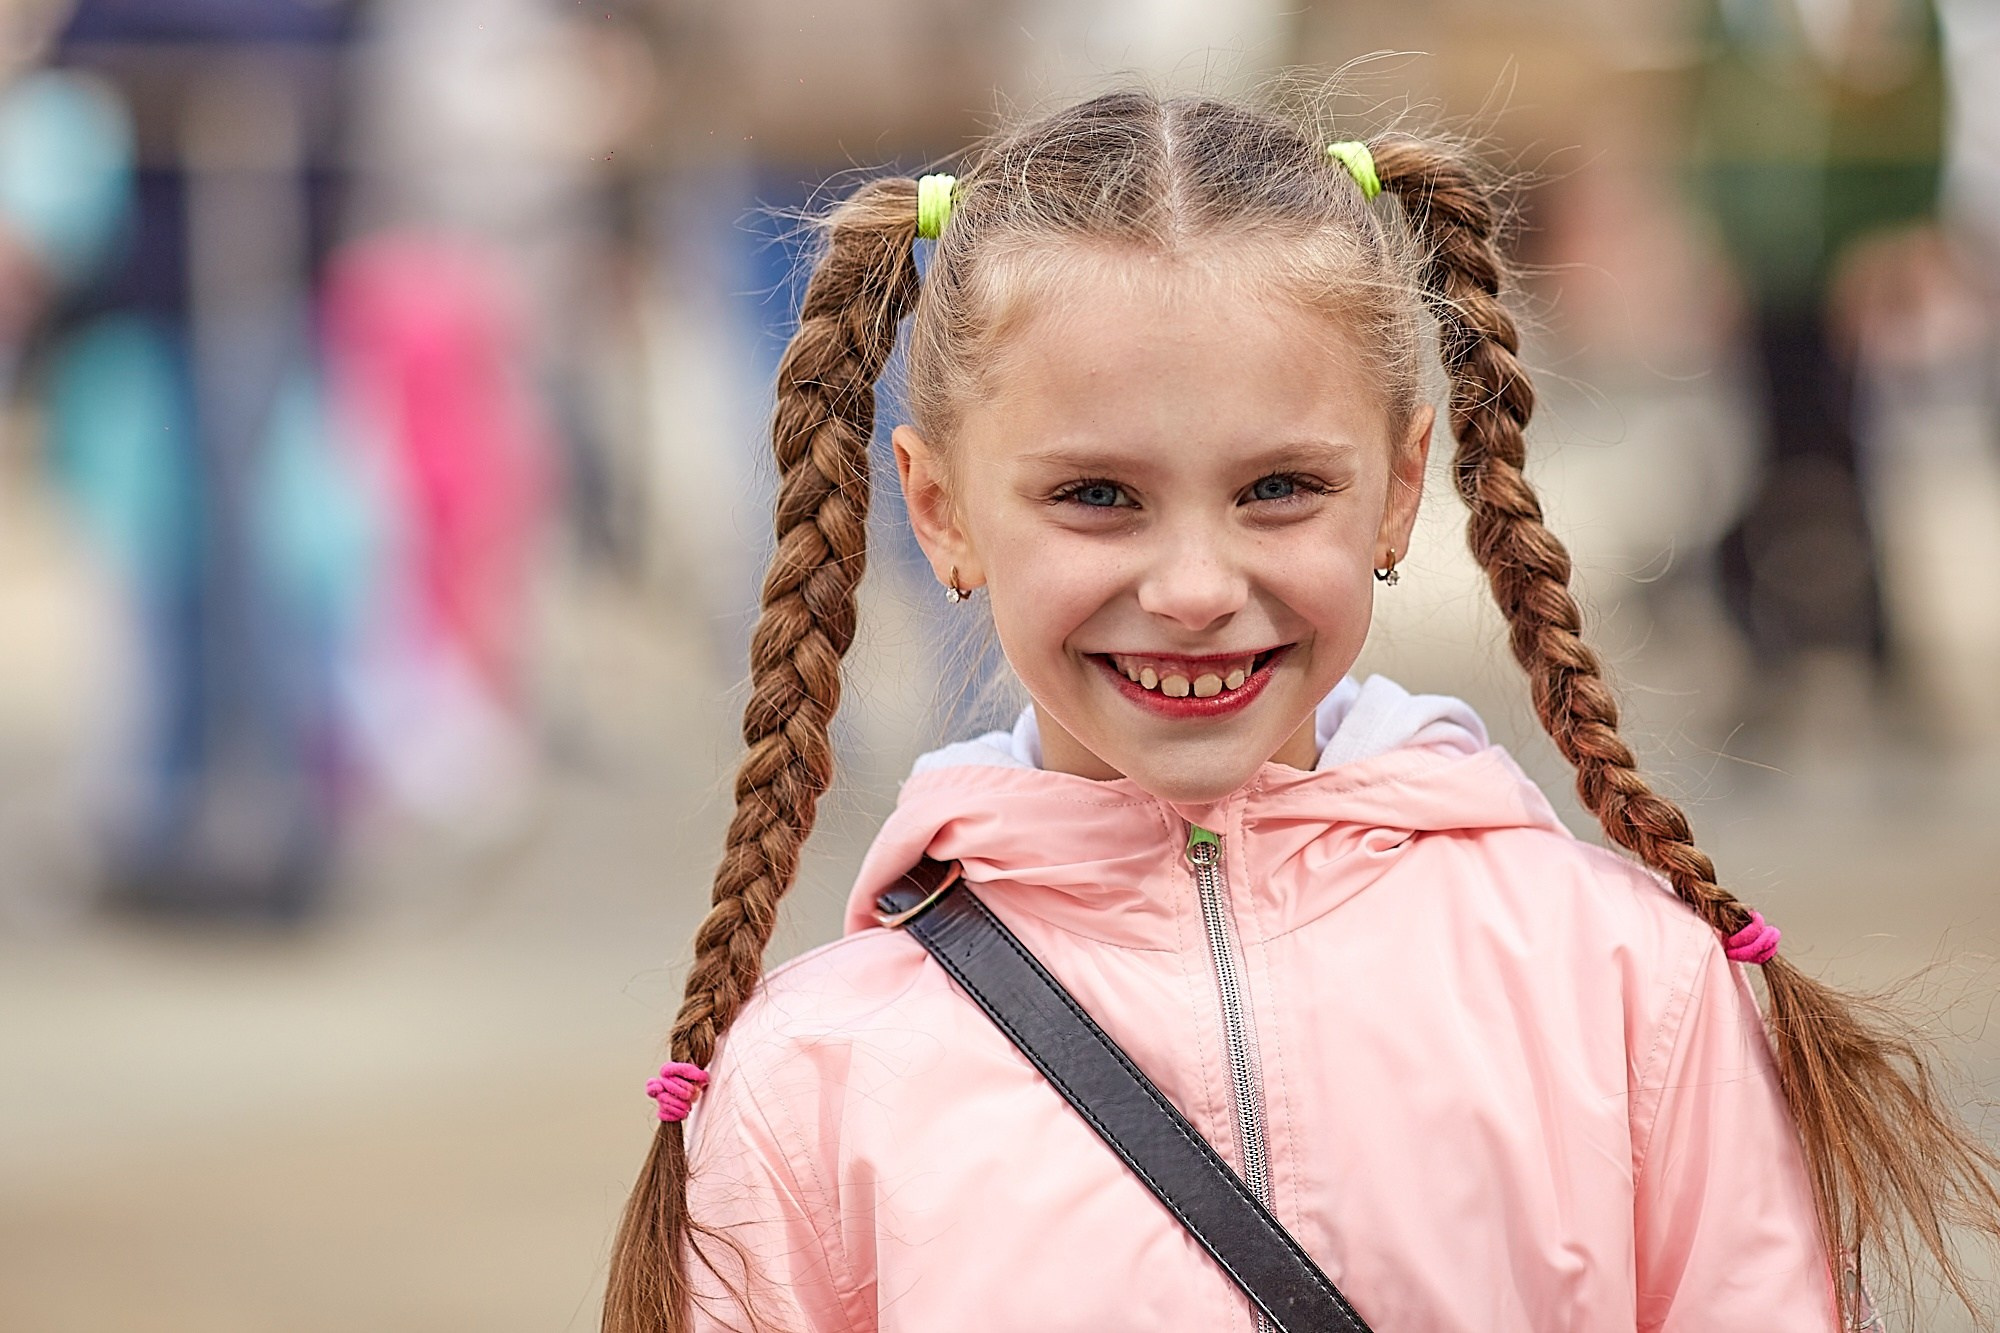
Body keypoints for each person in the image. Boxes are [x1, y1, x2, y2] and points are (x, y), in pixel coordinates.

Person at [605, 91, 2000, 1332]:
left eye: (1279, 488)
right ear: (938, 510)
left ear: (1400, 489)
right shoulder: (814, 1082)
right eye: (1098, 495)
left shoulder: (1629, 985)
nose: (1198, 585)